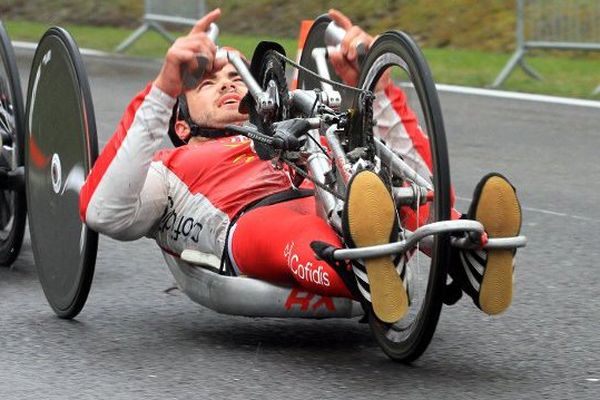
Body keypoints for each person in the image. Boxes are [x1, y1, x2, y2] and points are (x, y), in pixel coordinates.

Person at [79, 9, 522, 323]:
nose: (229, 86)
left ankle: (470, 248)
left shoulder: (295, 127)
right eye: (208, 83)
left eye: (235, 80)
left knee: (397, 190)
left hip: (335, 197)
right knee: (292, 232)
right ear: (180, 122)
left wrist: (378, 89)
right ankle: (368, 264)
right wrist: (162, 88)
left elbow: (421, 172)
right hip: (246, 224)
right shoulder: (167, 165)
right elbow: (104, 212)